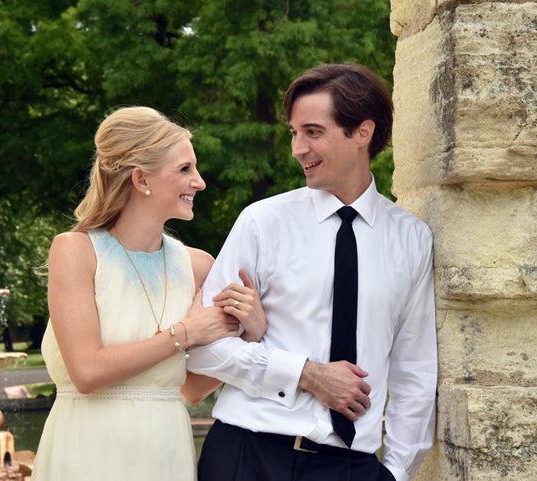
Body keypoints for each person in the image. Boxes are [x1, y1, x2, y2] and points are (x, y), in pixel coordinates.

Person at [187, 64, 437, 481]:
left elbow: (415, 369)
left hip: (352, 467)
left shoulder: (412, 239)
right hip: (247, 454)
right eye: (294, 132)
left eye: (313, 132)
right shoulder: (262, 222)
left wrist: (395, 472)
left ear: (363, 133)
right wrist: (305, 374)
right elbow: (205, 348)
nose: (297, 148)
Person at [30, 106, 265, 481]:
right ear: (141, 180)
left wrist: (251, 334)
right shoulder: (75, 251)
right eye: (185, 169)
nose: (200, 182)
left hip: (166, 452)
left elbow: (190, 389)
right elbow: (86, 372)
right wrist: (185, 334)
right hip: (86, 451)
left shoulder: (200, 266)